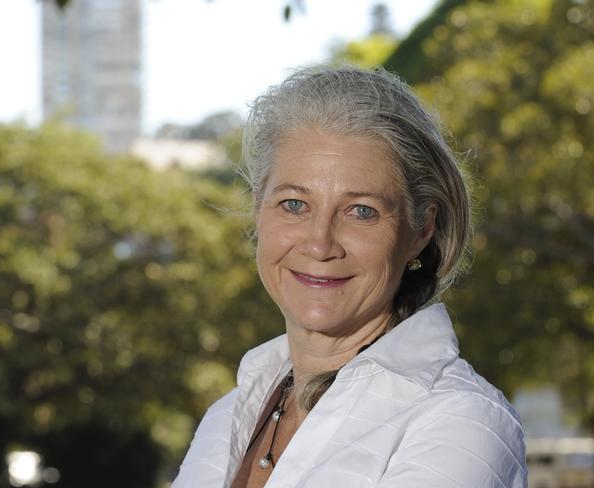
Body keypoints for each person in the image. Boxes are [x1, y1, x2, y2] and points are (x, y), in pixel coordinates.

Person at [172, 65, 527, 488]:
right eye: (293, 204)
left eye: (361, 211)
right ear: (257, 208)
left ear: (421, 230)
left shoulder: (462, 424)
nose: (320, 245)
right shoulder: (227, 416)